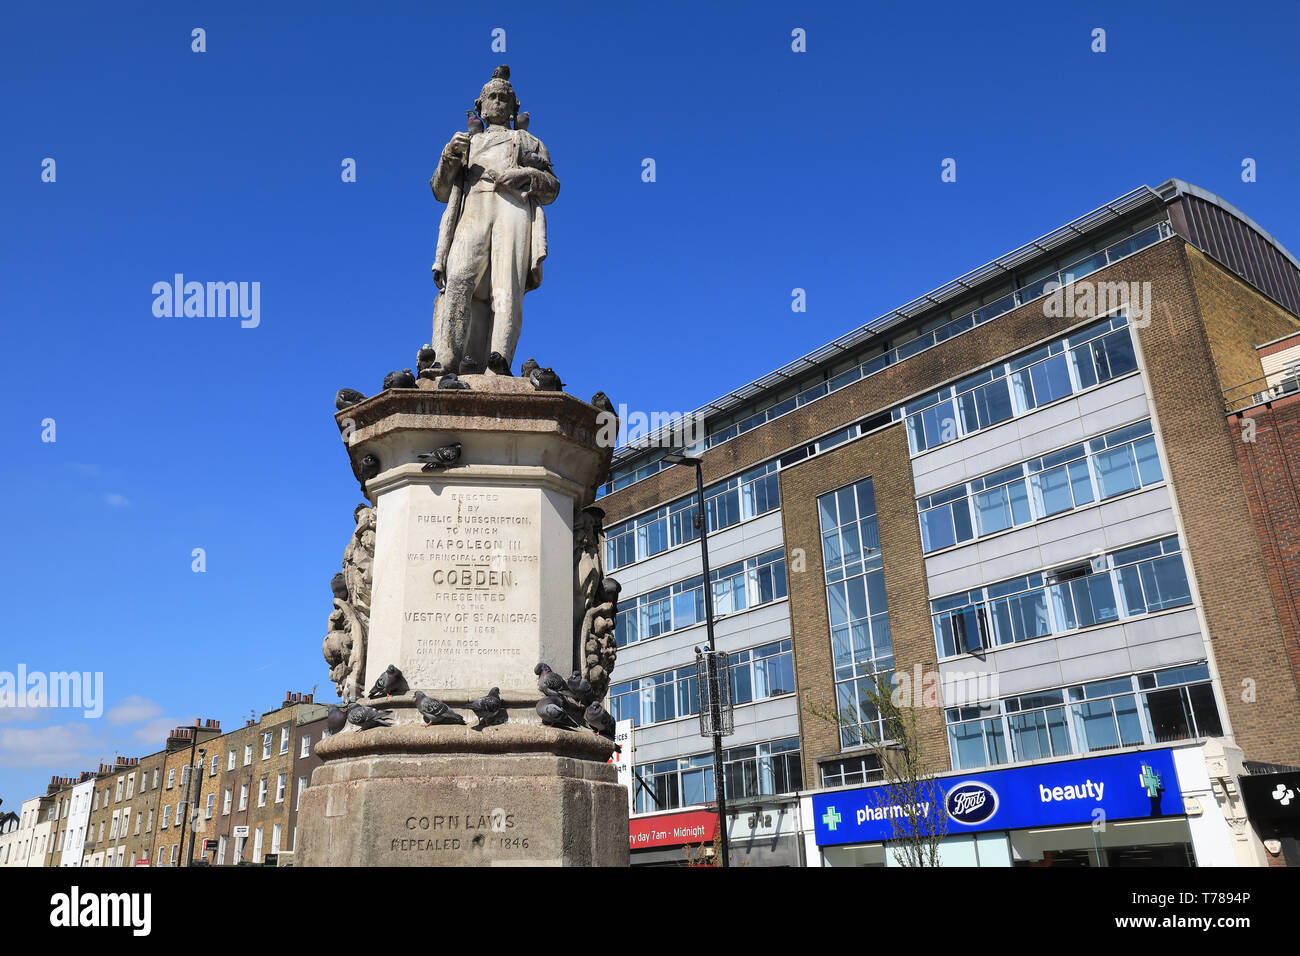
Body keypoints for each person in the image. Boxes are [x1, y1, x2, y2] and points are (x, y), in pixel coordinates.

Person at [430, 65, 559, 373]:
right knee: (458, 278)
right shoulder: (465, 142)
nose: (499, 102)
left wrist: (524, 175)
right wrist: (449, 157)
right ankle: (447, 358)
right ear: (481, 106)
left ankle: (498, 362)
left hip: (512, 209)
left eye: (504, 97)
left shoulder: (529, 142)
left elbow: (552, 188)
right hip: (473, 210)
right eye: (493, 97)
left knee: (507, 289)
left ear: (514, 107)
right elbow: (439, 189)